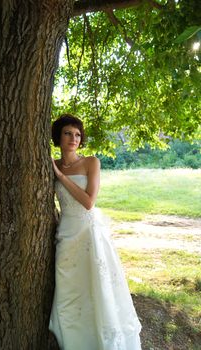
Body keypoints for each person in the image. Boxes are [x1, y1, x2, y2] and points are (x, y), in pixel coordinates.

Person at [49, 114, 142, 350]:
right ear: (58, 137)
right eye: (68, 133)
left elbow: (89, 201)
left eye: (78, 134)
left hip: (88, 232)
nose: (74, 138)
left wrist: (60, 177)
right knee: (70, 289)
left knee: (96, 287)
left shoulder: (91, 162)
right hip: (65, 234)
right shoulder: (52, 163)